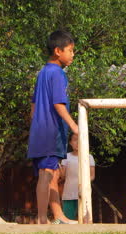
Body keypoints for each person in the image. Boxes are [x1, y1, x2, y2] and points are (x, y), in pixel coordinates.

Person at [27, 30, 79, 224]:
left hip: (40, 131)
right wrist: (74, 126)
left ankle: (58, 215)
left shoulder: (43, 72)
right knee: (46, 174)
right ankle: (42, 218)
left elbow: (33, 105)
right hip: (51, 131)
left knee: (52, 173)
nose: (73, 55)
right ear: (58, 51)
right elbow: (58, 103)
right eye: (70, 50)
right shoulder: (57, 73)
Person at [60, 133, 95, 220]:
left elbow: (92, 176)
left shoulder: (89, 157)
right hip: (69, 193)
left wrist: (83, 185)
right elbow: (63, 176)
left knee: (85, 219)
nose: (77, 143)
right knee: (68, 219)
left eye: (79, 140)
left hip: (84, 193)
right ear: (70, 143)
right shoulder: (66, 157)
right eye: (75, 140)